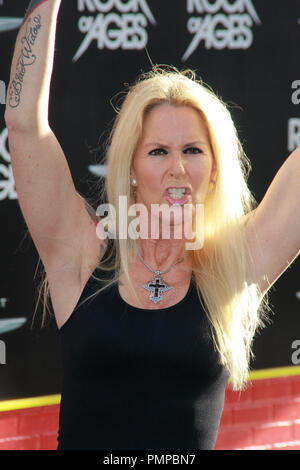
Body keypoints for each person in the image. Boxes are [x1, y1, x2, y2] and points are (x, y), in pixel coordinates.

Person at [5, 0, 300, 451]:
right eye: (158, 151)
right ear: (130, 168)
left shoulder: (234, 265)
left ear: (216, 169)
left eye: (194, 151)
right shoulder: (84, 255)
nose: (177, 169)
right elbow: (24, 125)